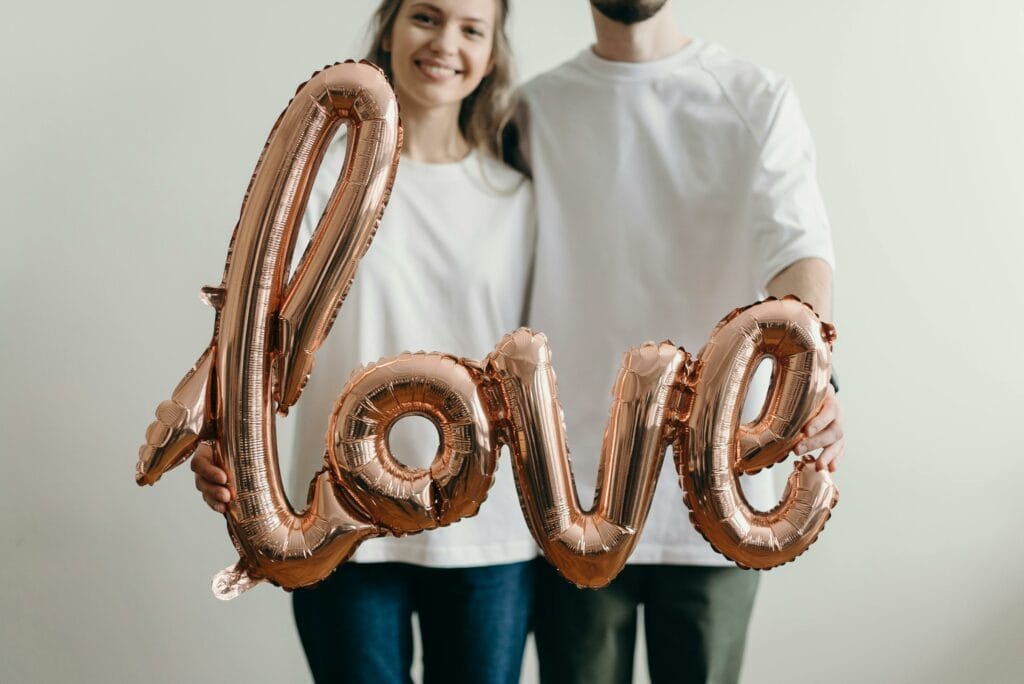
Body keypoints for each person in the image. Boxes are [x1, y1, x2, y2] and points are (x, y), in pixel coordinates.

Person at [191, 1, 537, 682]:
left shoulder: (517, 198)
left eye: (472, 29)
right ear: (390, 28)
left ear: (492, 55)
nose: (445, 43)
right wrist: (217, 429)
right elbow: (255, 326)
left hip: (485, 534)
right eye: (426, 17)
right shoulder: (321, 177)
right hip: (335, 518)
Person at [518, 1, 846, 682]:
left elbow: (799, 254)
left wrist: (814, 383)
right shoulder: (531, 110)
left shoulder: (754, 96)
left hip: (718, 490)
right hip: (570, 492)